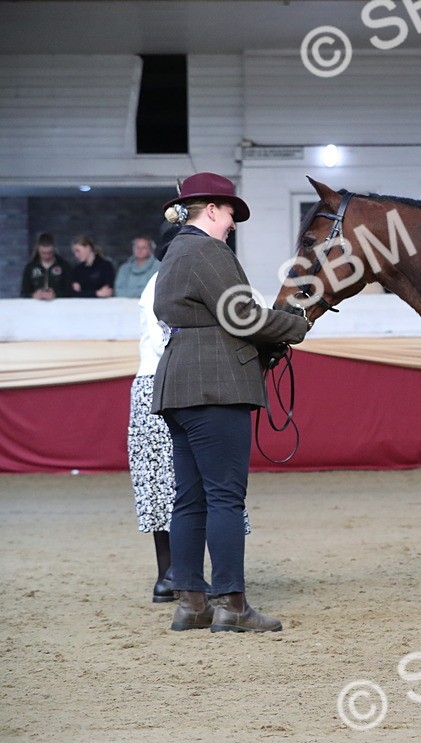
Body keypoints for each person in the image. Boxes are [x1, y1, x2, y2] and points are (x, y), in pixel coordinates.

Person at [152, 172, 308, 633]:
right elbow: (242, 315)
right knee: (225, 497)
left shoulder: (174, 253)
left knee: (189, 500)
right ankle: (233, 605)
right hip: (215, 385)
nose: (233, 224)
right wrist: (291, 324)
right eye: (230, 215)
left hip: (179, 383)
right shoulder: (208, 250)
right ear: (213, 210)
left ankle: (191, 603)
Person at [128, 270, 253, 604]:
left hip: (148, 383)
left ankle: (168, 576)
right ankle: (207, 581)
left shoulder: (155, 281)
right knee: (209, 485)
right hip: (184, 380)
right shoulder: (199, 276)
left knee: (162, 486)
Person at [20, 232, 73, 299]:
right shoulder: (30, 268)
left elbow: (70, 292)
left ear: (54, 249)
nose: (46, 256)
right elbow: (24, 293)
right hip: (35, 307)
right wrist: (33, 295)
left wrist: (55, 295)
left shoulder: (64, 266)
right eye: (43, 253)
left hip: (59, 306)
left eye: (49, 253)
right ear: (38, 250)